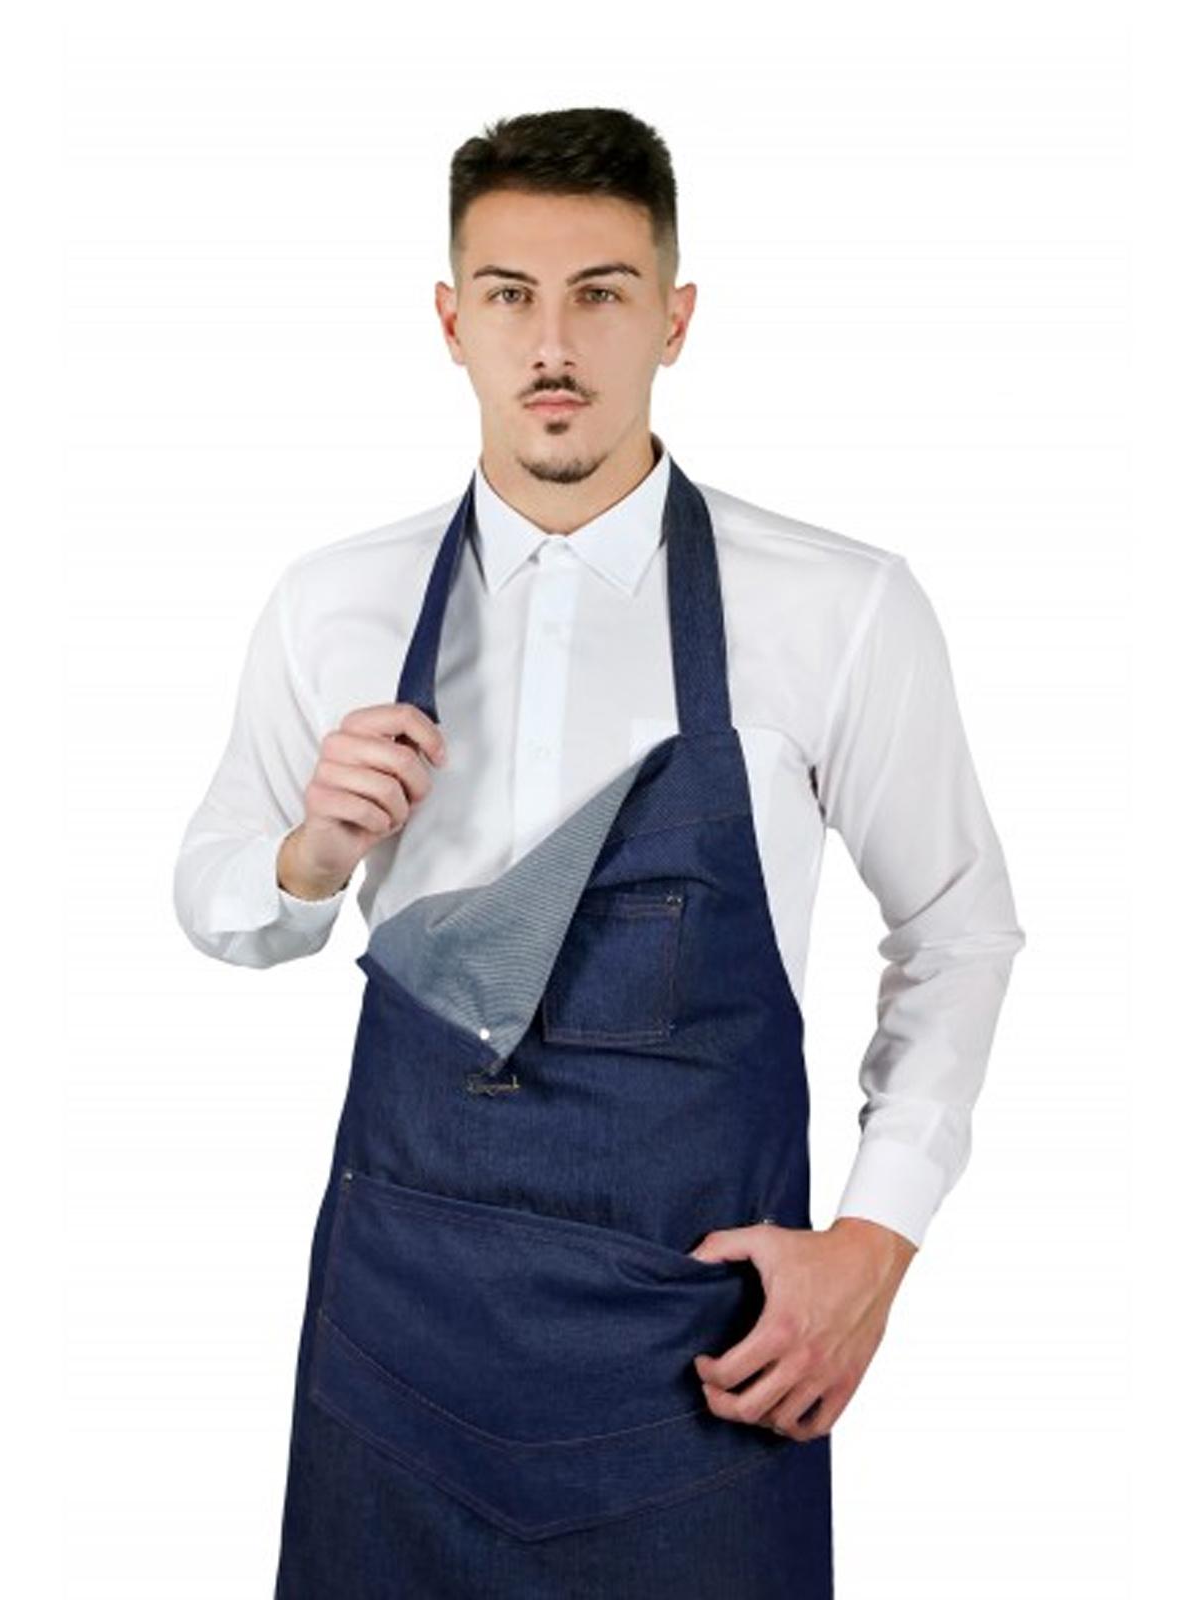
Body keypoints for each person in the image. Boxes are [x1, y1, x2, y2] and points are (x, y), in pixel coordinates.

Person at [174, 106, 1026, 1600]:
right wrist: (308, 855)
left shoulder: (838, 605)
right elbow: (220, 896)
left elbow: (958, 927)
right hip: (399, 1332)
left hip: (703, 1350)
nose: (553, 344)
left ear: (674, 320)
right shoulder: (335, 603)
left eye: (602, 294)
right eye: (509, 295)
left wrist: (875, 1241)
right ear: (453, 321)